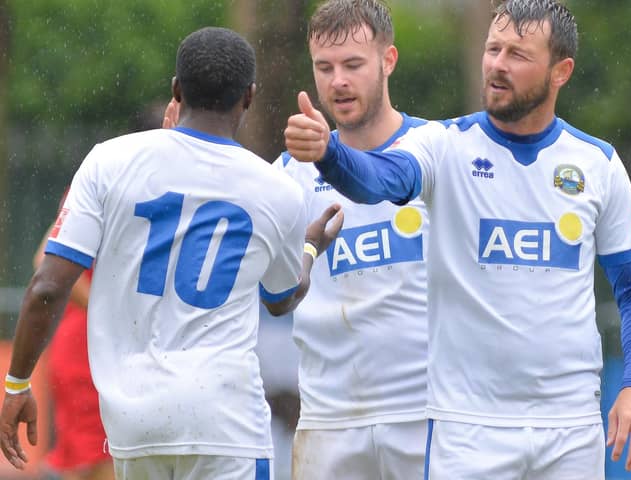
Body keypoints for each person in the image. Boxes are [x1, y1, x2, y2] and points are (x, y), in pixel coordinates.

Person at [284, 0, 631, 478]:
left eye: (518, 54)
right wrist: (330, 156)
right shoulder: (444, 144)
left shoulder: (598, 163)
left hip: (571, 427)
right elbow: (381, 180)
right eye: (493, 49)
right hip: (467, 429)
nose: (497, 64)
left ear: (561, 71)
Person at [0, 26, 343, 480]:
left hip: (135, 423)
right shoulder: (275, 188)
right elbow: (280, 299)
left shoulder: (108, 161)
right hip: (226, 422)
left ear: (176, 90)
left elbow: (46, 285)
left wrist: (17, 383)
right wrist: (311, 247)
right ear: (249, 96)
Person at [277, 1, 429, 479]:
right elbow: (272, 298)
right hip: (329, 419)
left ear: (388, 61)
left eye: (353, 65)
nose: (337, 80)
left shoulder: (440, 152)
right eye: (324, 67)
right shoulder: (286, 176)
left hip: (430, 414)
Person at [33, 189, 113, 480]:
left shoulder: (101, 180)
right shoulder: (106, 182)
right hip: (89, 350)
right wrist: (107, 315)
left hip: (88, 345)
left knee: (88, 457)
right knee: (99, 458)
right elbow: (46, 260)